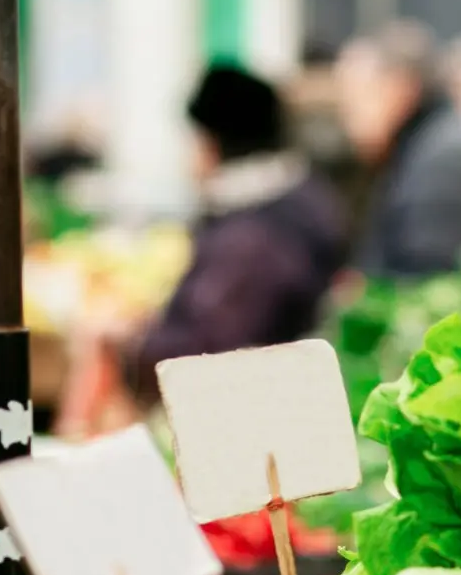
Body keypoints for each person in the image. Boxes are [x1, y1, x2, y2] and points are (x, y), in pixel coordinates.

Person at [123, 64, 348, 400]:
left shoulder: (251, 240)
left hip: (249, 406)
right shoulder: (299, 199)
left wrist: (131, 346)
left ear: (211, 145)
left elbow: (207, 354)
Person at [339, 20, 461, 279]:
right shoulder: (427, 144)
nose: (347, 118)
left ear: (399, 88)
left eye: (354, 99)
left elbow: (427, 278)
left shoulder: (442, 160)